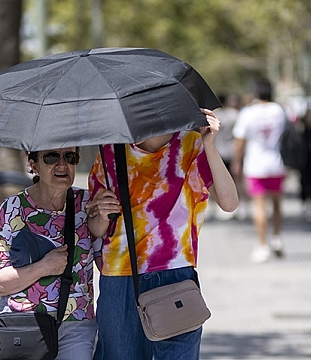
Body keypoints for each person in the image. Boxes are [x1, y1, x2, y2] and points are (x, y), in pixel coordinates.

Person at [87, 109, 239, 360]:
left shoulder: (192, 145)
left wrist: (210, 144)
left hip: (176, 273)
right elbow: (96, 229)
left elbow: (230, 202)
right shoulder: (111, 151)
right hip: (120, 276)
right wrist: (101, 214)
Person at [0, 147, 100, 360]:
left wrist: (106, 213)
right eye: (52, 157)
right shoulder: (12, 209)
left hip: (76, 326)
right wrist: (43, 267)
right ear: (33, 165)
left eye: (70, 157)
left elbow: (105, 254)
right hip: (23, 327)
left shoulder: (88, 205)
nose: (62, 164)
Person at [232, 79, 287, 263]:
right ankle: (277, 238)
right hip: (276, 162)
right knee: (277, 204)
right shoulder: (279, 111)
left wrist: (236, 162)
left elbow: (240, 140)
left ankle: (263, 246)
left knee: (260, 206)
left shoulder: (248, 113)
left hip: (256, 165)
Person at [213, 94, 249, 220]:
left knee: (218, 181)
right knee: (237, 180)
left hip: (219, 152)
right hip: (233, 151)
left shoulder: (215, 116)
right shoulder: (235, 115)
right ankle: (242, 206)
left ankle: (221, 207)